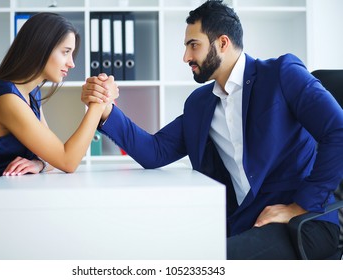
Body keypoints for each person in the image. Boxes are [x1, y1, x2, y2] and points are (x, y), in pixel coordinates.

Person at [81, 0, 343, 259]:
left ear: (223, 43)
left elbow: (338, 130)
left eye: (193, 45)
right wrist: (106, 110)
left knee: (212, 263)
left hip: (304, 223)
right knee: (159, 248)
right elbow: (155, 151)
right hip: (246, 223)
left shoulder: (282, 74)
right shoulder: (200, 103)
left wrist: (299, 206)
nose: (186, 57)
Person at [0, 13, 118, 248]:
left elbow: (53, 156)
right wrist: (98, 103)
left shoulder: (29, 95)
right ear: (40, 48)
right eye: (65, 52)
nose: (71, 63)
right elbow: (67, 160)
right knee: (47, 232)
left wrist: (38, 163)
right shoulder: (5, 99)